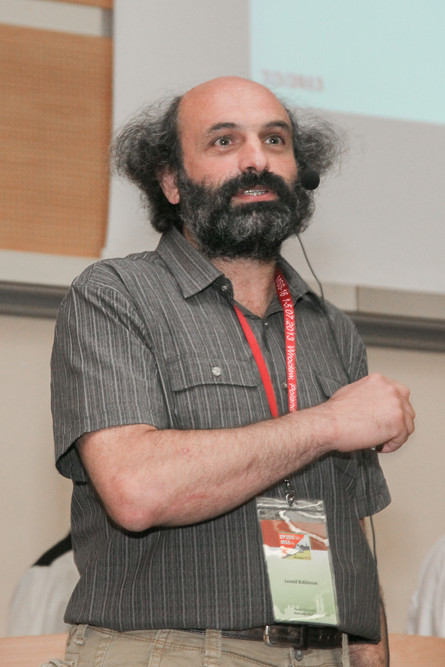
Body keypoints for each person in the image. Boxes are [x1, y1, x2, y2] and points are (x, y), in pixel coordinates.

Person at [50, 77, 415, 667]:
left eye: (275, 140)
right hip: (174, 650)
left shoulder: (331, 328)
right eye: (224, 141)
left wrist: (371, 655)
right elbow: (137, 490)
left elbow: (353, 532)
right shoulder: (116, 294)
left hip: (326, 653)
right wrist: (327, 424)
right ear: (171, 181)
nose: (256, 160)